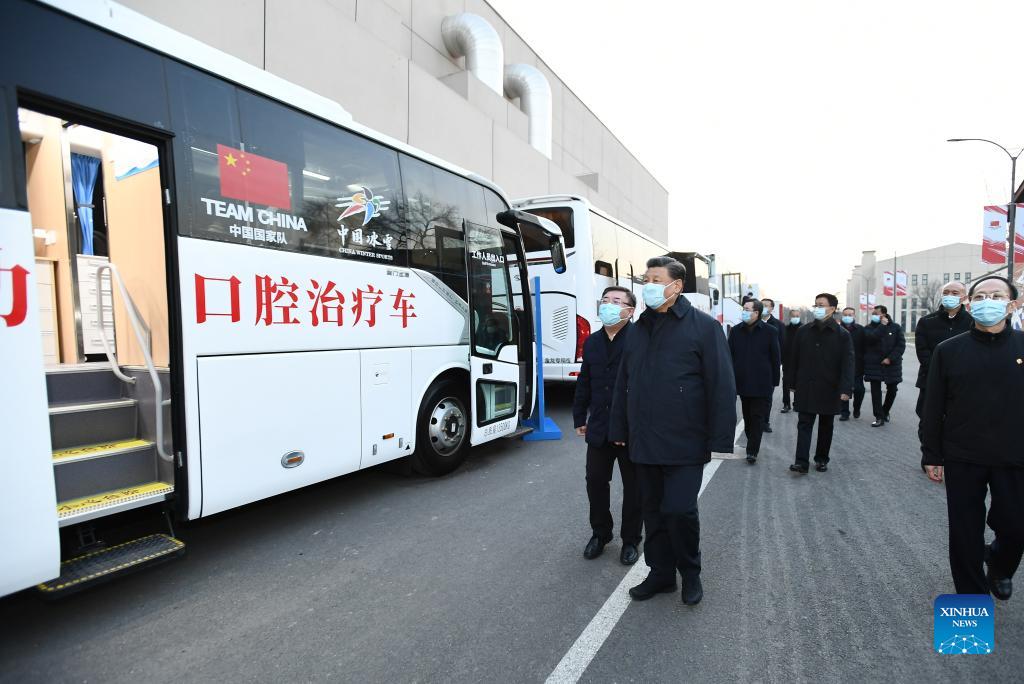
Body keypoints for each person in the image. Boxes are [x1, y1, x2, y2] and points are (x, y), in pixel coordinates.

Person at [609, 256, 736, 605]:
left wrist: (721, 439)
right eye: (645, 279)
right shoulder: (637, 329)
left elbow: (722, 385)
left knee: (680, 510)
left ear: (676, 286)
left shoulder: (704, 328)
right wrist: (619, 426)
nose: (647, 285)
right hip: (644, 440)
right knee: (653, 511)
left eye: (655, 279)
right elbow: (623, 383)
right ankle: (661, 574)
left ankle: (690, 573)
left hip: (686, 440)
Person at [922, 275, 1024, 599]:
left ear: (1011, 305)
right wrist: (931, 454)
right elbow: (933, 405)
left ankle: (999, 563)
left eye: (996, 296)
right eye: (980, 297)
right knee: (965, 533)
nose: (987, 302)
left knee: (1016, 526)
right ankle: (972, 605)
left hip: (1015, 455)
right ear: (969, 305)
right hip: (963, 454)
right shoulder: (949, 350)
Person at [573, 286, 642, 565]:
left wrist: (630, 425)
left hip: (629, 430)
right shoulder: (593, 341)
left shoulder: (640, 340)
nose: (608, 305)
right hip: (599, 428)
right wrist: (580, 416)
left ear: (630, 310)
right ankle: (600, 533)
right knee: (595, 481)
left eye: (616, 301)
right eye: (605, 300)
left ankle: (631, 540)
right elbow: (585, 381)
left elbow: (644, 389)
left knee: (634, 488)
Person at [788, 293, 853, 474]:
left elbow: (848, 364)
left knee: (826, 425)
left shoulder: (842, 335)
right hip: (806, 386)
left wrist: (846, 388)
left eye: (821, 305)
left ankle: (821, 459)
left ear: (832, 309)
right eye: (815, 304)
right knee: (804, 424)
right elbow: (794, 359)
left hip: (829, 387)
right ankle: (801, 462)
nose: (817, 308)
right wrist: (792, 382)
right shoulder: (803, 331)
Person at [914, 281, 971, 466]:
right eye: (946, 292)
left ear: (964, 297)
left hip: (962, 382)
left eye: (955, 292)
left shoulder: (972, 322)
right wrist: (938, 372)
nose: (950, 296)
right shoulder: (927, 321)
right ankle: (930, 455)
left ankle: (953, 456)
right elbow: (923, 351)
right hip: (930, 380)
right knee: (927, 420)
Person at [729, 299, 781, 464]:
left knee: (757, 417)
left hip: (762, 382)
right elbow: (729, 356)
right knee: (748, 417)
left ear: (756, 313)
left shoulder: (770, 331)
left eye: (747, 309)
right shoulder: (736, 331)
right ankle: (752, 440)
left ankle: (752, 450)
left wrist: (774, 381)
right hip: (742, 381)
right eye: (743, 309)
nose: (743, 312)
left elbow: (775, 357)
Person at [863, 305, 905, 428]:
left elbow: (900, 345)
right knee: (875, 392)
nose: (874, 315)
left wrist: (890, 358)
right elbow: (871, 339)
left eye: (877, 313)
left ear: (884, 314)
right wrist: (882, 326)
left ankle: (885, 411)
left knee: (892, 390)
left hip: (892, 364)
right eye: (873, 313)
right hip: (874, 364)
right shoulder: (868, 328)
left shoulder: (895, 327)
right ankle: (879, 417)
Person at [760, 298, 785, 433]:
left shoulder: (778, 325)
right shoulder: (752, 322)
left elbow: (782, 345)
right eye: (761, 305)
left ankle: (765, 421)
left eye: (766, 305)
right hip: (753, 366)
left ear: (772, 308)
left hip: (769, 366)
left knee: (767, 396)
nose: (763, 307)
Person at [838, 306, 866, 421]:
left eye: (850, 315)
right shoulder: (837, 329)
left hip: (857, 365)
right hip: (841, 365)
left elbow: (865, 347)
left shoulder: (860, 329)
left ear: (854, 316)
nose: (847, 317)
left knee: (859, 390)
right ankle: (844, 412)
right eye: (845, 315)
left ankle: (857, 408)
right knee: (844, 389)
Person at [780, 308, 802, 413]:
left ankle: (797, 403)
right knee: (786, 383)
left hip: (801, 361)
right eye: (793, 316)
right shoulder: (785, 329)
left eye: (797, 316)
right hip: (788, 361)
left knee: (799, 382)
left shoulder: (804, 329)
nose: (795, 318)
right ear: (790, 317)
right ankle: (786, 404)